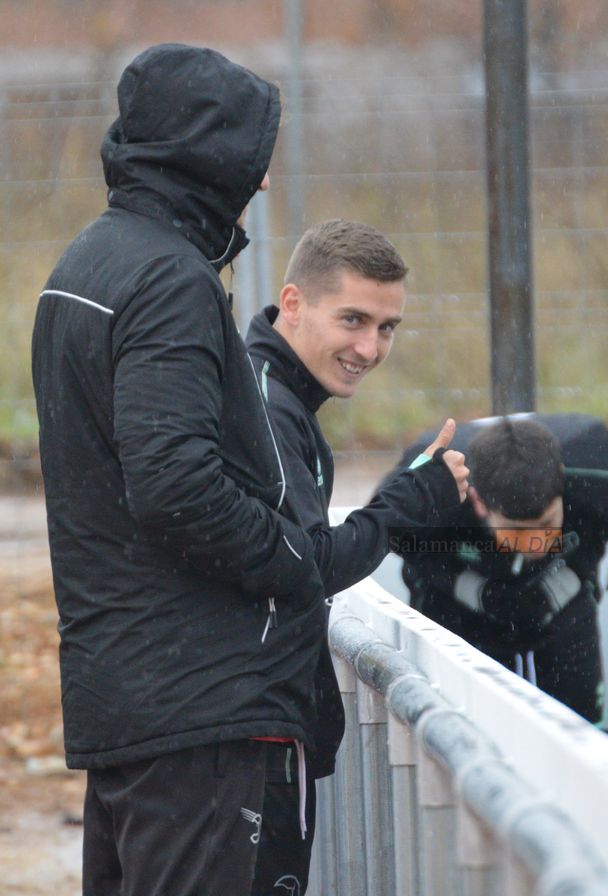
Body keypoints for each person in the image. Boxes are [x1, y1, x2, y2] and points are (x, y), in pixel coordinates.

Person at [29, 44, 464, 896]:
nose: (262, 186)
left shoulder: (86, 266)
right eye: (252, 160)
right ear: (203, 153)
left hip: (131, 698)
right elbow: (174, 485)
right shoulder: (168, 278)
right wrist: (302, 561)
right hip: (202, 716)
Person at [244, 218, 469, 891]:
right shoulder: (266, 405)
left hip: (248, 726)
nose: (369, 347)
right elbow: (306, 566)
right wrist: (404, 504)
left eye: (387, 327)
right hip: (247, 735)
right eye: (352, 320)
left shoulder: (277, 395)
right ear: (292, 303)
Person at [388, 414, 608, 723]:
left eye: (547, 523)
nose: (536, 542)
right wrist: (470, 589)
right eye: (518, 530)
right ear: (479, 502)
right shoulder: (429, 485)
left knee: (578, 727)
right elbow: (394, 537)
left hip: (563, 599)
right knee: (465, 729)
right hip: (454, 606)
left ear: (562, 483)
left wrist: (569, 576)